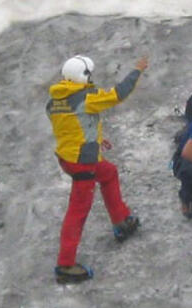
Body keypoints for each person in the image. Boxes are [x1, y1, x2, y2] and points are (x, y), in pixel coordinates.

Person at [47, 54, 148, 284]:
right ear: (82, 76)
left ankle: (121, 220)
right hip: (83, 162)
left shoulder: (54, 101)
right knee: (77, 212)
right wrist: (137, 70)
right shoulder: (87, 97)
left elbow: (72, 126)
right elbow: (118, 94)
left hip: (69, 157)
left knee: (109, 172)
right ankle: (65, 264)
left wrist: (96, 138)